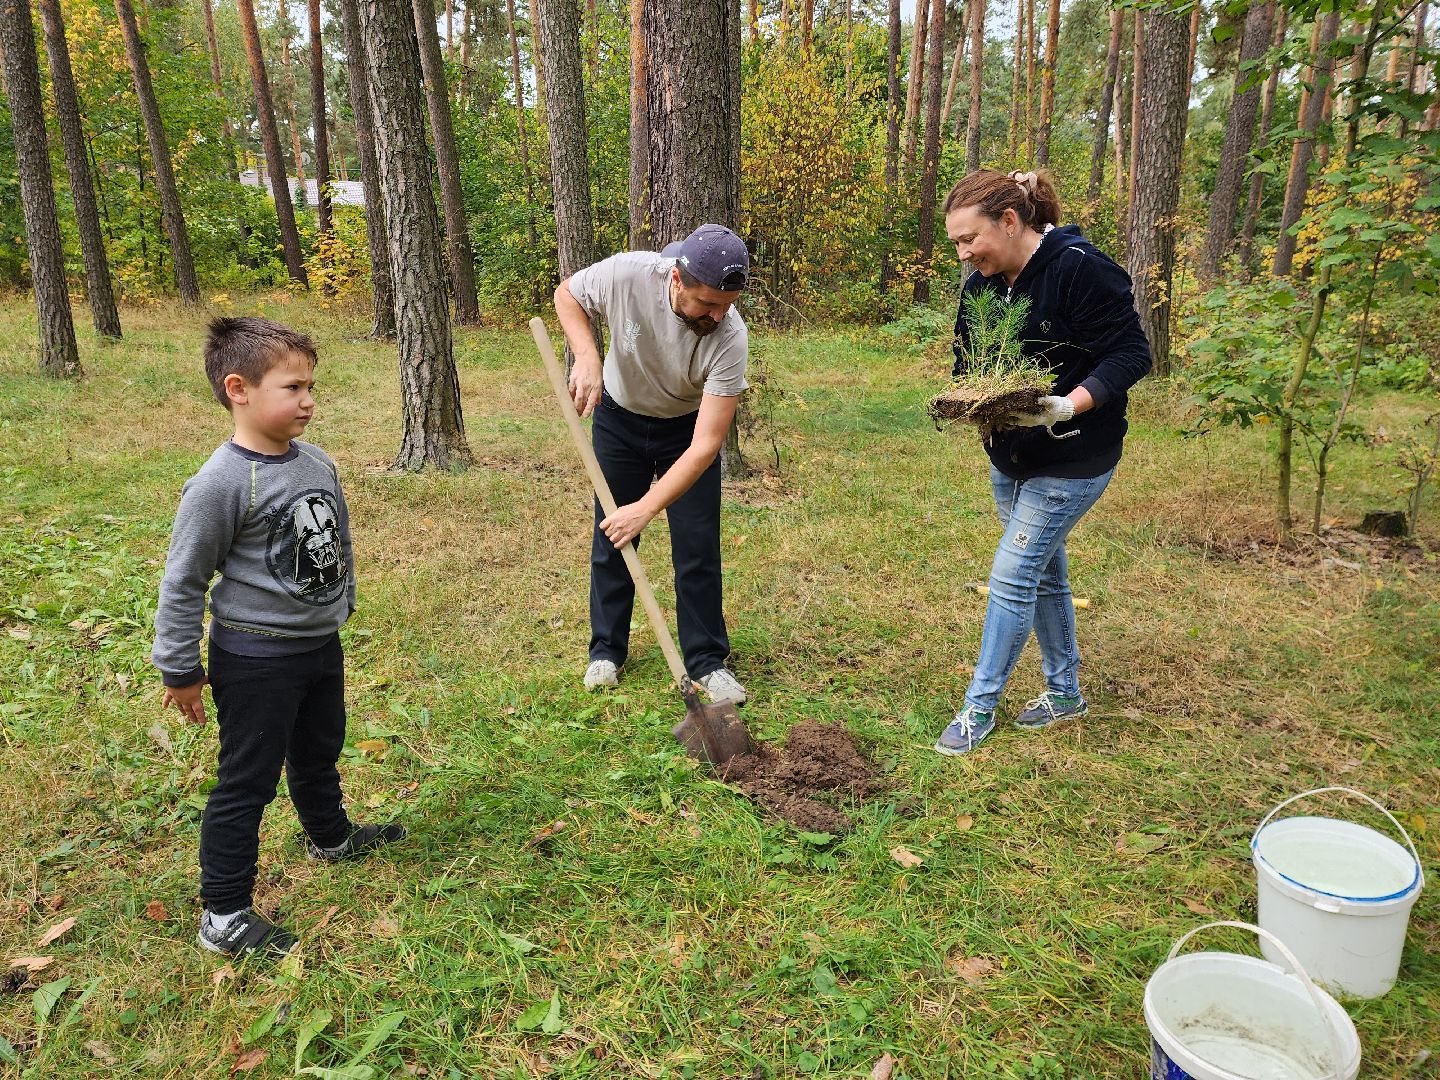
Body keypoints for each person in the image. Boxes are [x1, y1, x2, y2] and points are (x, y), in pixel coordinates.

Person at [152, 317, 404, 956]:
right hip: (255, 656)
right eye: (293, 388)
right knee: (248, 779)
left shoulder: (316, 463)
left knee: (320, 747)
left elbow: (336, 542)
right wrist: (179, 668)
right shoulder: (220, 484)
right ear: (238, 389)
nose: (309, 401)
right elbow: (184, 580)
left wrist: (340, 608)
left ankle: (329, 835)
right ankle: (224, 913)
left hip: (318, 646)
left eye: (311, 386)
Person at [934, 170, 1152, 756]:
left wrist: (1068, 404)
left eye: (968, 238)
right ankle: (1065, 693)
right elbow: (969, 359)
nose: (963, 253)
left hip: (1075, 456)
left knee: (1011, 575)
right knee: (1044, 575)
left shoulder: (1081, 268)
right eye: (955, 242)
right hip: (1010, 455)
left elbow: (1133, 351)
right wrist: (970, 399)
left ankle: (979, 707)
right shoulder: (982, 286)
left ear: (1010, 222)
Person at [554, 224, 751, 704]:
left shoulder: (731, 336)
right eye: (708, 304)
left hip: (686, 429)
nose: (718, 315)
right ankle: (606, 650)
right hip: (620, 419)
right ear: (678, 280)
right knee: (613, 535)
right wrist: (587, 355)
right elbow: (567, 294)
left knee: (697, 545)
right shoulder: (627, 274)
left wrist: (648, 505)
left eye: (726, 304)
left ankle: (706, 661)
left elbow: (706, 445)